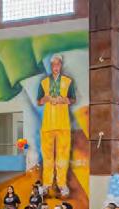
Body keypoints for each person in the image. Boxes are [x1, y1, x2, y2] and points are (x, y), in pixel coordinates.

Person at [37, 54, 76, 197]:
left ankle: (62, 184)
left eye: (58, 64)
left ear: (61, 65)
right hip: (47, 125)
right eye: (53, 65)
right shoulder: (44, 83)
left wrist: (63, 100)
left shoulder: (68, 81)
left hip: (63, 124)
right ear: (51, 66)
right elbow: (39, 101)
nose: (55, 67)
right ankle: (47, 184)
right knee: (47, 156)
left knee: (62, 156)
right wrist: (45, 99)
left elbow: (72, 99)